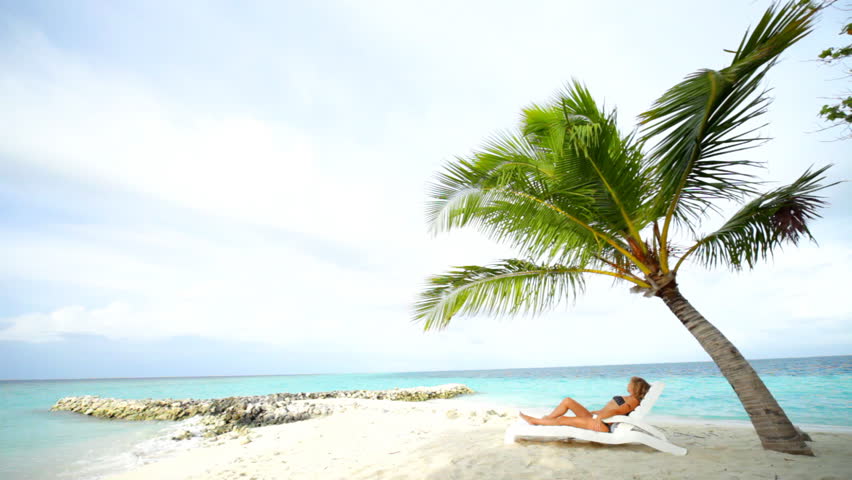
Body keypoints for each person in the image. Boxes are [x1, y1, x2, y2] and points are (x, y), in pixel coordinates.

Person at [519, 376, 651, 432]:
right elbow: (613, 408)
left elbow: (618, 411)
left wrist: (600, 417)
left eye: (630, 383)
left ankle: (534, 421)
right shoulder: (629, 397)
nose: (628, 384)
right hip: (599, 418)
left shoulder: (634, 400)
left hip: (604, 424)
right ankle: (549, 419)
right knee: (568, 401)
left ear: (635, 387)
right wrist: (598, 412)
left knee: (563, 419)